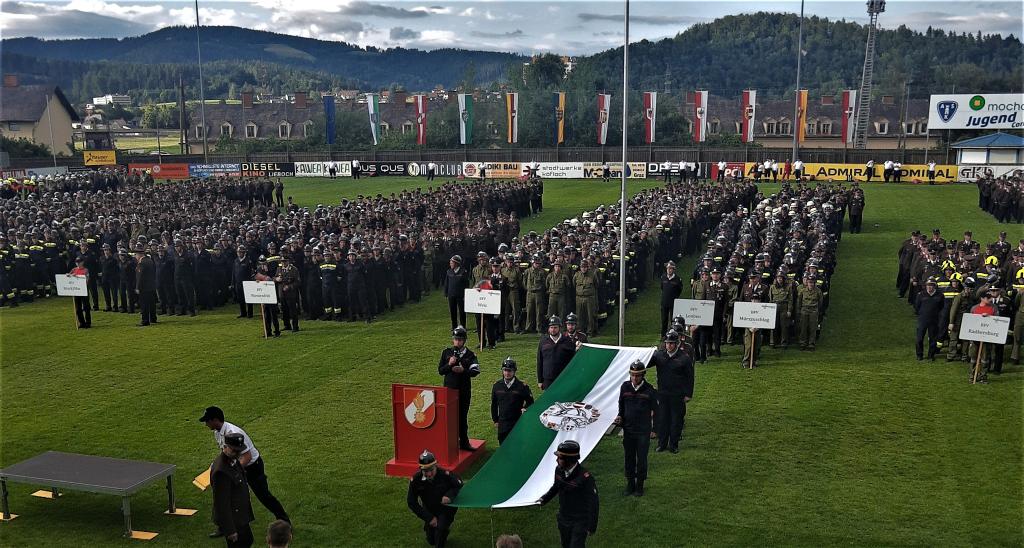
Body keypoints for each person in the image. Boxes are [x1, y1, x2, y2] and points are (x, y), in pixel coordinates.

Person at [200, 406, 290, 530]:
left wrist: (232, 470)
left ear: (215, 420)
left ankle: (285, 522)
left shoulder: (233, 433)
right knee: (229, 496)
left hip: (253, 468)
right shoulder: (218, 433)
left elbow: (247, 456)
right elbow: (225, 452)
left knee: (264, 496)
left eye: (207, 421)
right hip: (240, 466)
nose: (206, 424)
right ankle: (225, 526)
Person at [537, 440, 599, 548]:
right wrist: (544, 499)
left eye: (560, 458)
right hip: (564, 518)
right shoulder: (559, 470)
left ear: (569, 460)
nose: (557, 460)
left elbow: (593, 503)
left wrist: (591, 526)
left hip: (579, 521)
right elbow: (556, 486)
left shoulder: (585, 478)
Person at [615, 360, 657, 496]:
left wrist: (654, 430)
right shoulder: (625, 387)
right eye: (632, 375)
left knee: (642, 459)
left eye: (637, 375)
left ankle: (640, 485)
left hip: (643, 431)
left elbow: (657, 411)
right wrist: (620, 417)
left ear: (643, 375)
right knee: (629, 458)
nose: (634, 378)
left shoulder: (650, 390)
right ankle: (630, 484)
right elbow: (621, 405)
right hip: (628, 430)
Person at [649, 330, 694, 453]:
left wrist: (688, 394)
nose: (668, 345)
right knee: (663, 419)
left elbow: (690, 377)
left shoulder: (684, 358)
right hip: (663, 394)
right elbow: (647, 363)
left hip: (677, 394)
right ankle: (662, 444)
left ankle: (673, 445)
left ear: (676, 344)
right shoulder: (659, 355)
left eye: (671, 343)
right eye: (667, 343)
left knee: (676, 420)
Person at [407, 450, 463, 548]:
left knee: (440, 532)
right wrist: (429, 518)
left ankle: (442, 531)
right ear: (421, 469)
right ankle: (442, 532)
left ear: (436, 466)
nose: (429, 474)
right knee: (431, 540)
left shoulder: (445, 475)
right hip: (429, 510)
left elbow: (459, 484)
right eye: (425, 471)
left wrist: (449, 496)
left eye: (431, 470)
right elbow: (411, 502)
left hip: (445, 509)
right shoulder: (416, 480)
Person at [438, 326, 481, 451]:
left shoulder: (470, 355)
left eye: (460, 339)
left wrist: (463, 371)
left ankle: (464, 442)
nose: (457, 342)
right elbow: (440, 371)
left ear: (464, 340)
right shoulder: (446, 353)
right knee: (448, 418)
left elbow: (475, 371)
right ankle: (448, 443)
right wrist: (449, 364)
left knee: (462, 417)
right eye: (456, 339)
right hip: (449, 391)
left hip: (463, 391)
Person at [211, 432, 255, 548]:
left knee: (248, 541)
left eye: (239, 451)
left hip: (239, 516)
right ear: (225, 447)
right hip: (234, 519)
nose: (237, 453)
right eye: (234, 450)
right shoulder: (221, 471)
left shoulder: (232, 460)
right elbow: (221, 503)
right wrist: (230, 530)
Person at [490, 357, 534, 444]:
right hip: (502, 422)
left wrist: (525, 408)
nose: (507, 373)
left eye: (510, 371)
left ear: (514, 371)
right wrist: (495, 420)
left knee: (517, 444)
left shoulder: (522, 386)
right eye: (505, 370)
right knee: (503, 445)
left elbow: (530, 402)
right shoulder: (497, 386)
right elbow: (494, 404)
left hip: (517, 422)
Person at [537, 315, 576, 389]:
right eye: (551, 327)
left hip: (563, 378)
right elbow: (540, 361)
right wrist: (540, 380)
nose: (553, 330)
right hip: (548, 379)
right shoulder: (543, 341)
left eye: (555, 327)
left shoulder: (567, 341)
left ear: (559, 328)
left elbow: (573, 361)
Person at [914, 278, 944, 361]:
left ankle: (931, 355)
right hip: (922, 320)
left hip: (934, 320)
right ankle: (919, 355)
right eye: (928, 285)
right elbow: (917, 306)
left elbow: (941, 306)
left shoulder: (940, 295)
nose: (929, 287)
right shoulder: (921, 294)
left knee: (933, 338)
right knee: (919, 338)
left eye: (931, 285)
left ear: (934, 286)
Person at [444, 255, 469, 330]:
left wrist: (465, 294)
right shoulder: (449, 271)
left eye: (452, 262)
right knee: (452, 311)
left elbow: (466, 284)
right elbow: (446, 283)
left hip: (460, 295)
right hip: (451, 294)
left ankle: (463, 326)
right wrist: (446, 292)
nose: (450, 264)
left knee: (462, 311)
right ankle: (454, 325)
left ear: (456, 263)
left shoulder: (463, 271)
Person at [659, 261, 683, 336]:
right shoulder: (663, 277)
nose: (669, 270)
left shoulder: (677, 279)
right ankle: (663, 336)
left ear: (674, 270)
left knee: (673, 320)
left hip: (673, 303)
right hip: (664, 302)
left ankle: (673, 335)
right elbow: (662, 288)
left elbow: (679, 290)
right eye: (668, 268)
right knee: (664, 320)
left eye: (671, 268)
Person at [135, 245, 157, 326]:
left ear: (139, 254)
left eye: (136, 254)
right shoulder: (150, 260)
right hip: (151, 286)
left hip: (144, 287)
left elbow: (140, 276)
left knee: (144, 304)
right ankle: (153, 318)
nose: (135, 256)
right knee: (152, 303)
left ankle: (145, 320)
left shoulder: (142, 263)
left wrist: (138, 287)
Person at [69, 256, 92, 329]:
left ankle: (88, 323)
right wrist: (69, 275)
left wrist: (76, 276)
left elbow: (87, 279)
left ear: (82, 262)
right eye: (77, 262)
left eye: (79, 262)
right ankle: (82, 323)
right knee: (78, 308)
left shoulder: (85, 270)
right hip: (76, 291)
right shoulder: (73, 270)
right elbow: (69, 277)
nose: (78, 263)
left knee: (86, 307)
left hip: (84, 290)